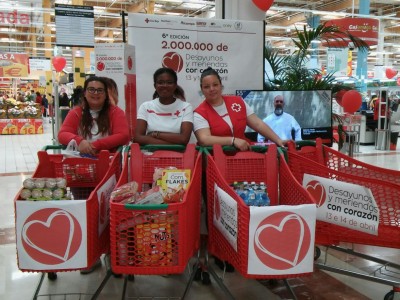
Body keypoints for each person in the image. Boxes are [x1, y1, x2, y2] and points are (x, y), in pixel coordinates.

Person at [193, 67, 285, 151]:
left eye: (215, 85)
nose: (212, 89)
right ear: (202, 90)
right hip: (217, 159)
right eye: (207, 87)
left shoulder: (237, 101)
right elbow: (204, 140)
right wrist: (232, 141)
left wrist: (278, 140)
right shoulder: (199, 113)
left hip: (245, 153)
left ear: (221, 85)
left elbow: (257, 124)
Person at [58, 76, 130, 156]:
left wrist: (96, 146)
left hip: (108, 161)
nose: (95, 93)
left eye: (100, 90)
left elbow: (123, 135)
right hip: (79, 162)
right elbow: (62, 134)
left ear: (106, 95)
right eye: (91, 89)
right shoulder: (75, 112)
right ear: (85, 93)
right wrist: (80, 142)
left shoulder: (116, 112)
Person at [134, 67, 193, 145]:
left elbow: (184, 139)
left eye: (169, 82)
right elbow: (138, 138)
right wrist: (174, 143)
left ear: (175, 85)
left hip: (178, 155)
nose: (165, 85)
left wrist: (155, 134)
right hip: (150, 155)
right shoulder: (146, 107)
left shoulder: (186, 107)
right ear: (155, 85)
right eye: (160, 82)